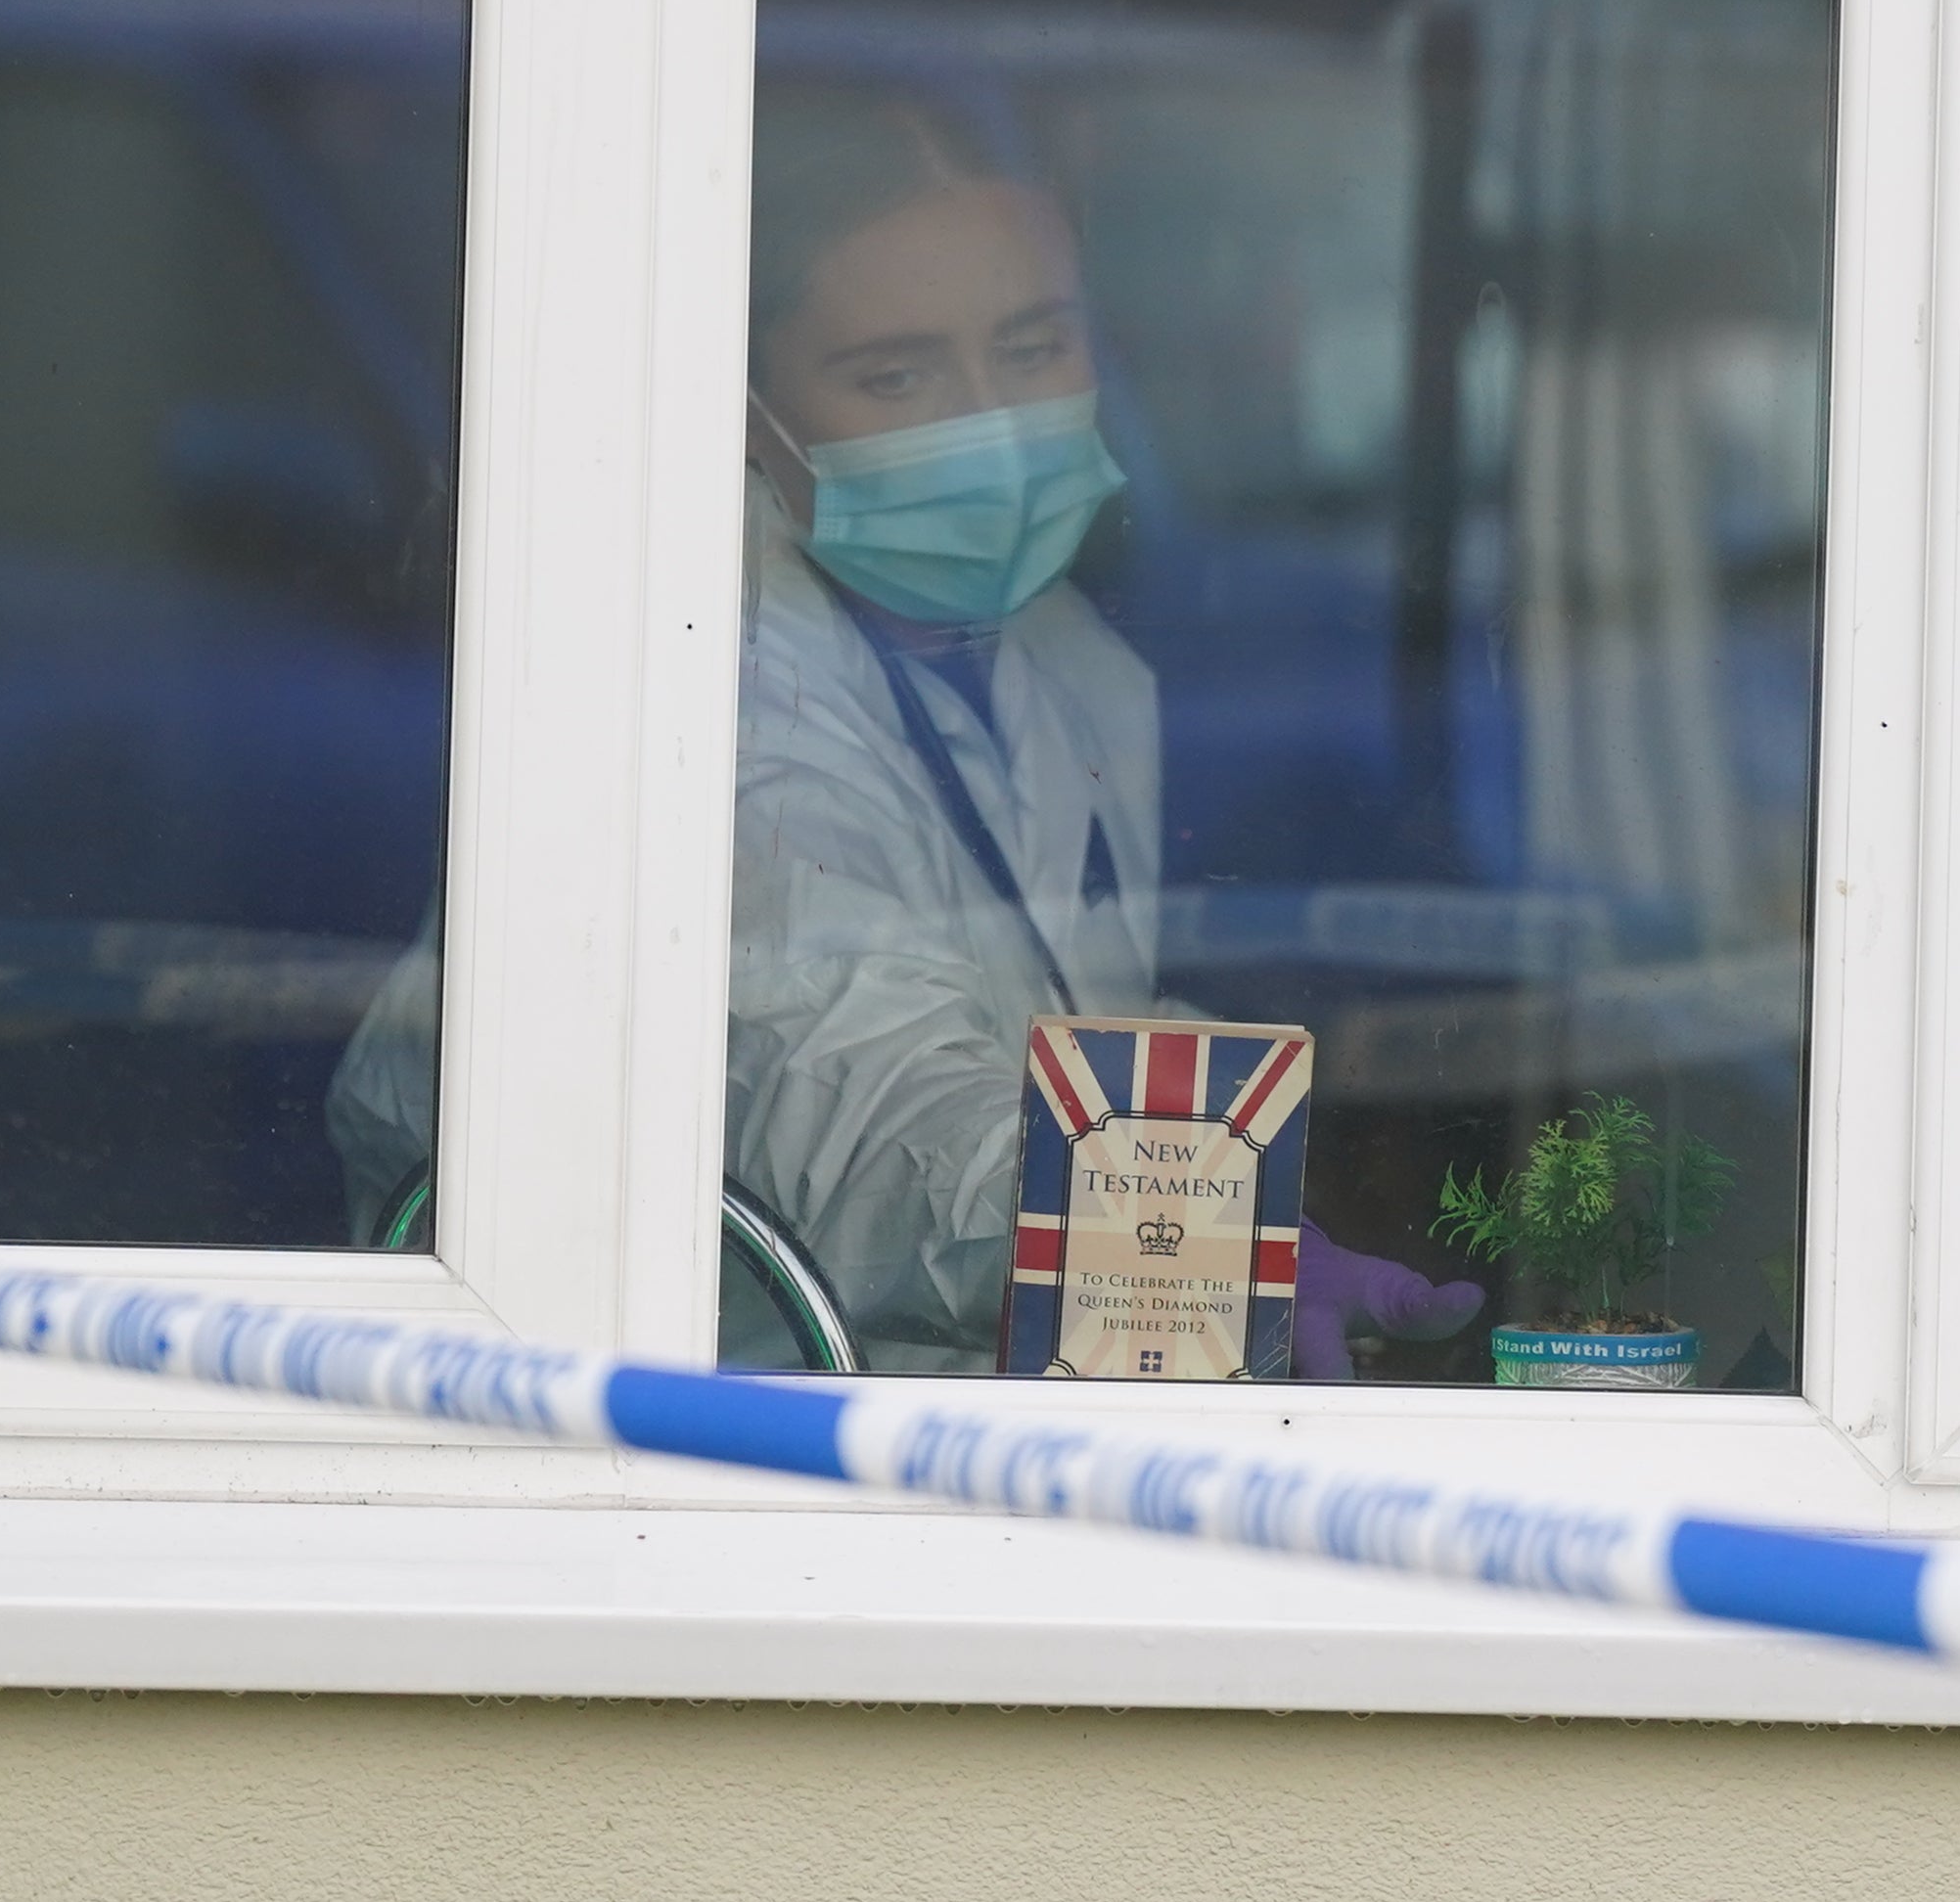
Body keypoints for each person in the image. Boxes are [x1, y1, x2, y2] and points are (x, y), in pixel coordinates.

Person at [338, 86, 1477, 1378]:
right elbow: (874, 1102)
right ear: (748, 411)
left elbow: (1027, 1007)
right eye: (898, 373)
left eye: (1035, 346)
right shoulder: (696, 707)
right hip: (691, 1468)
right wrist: (1179, 1235)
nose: (989, 421)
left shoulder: (1057, 664)